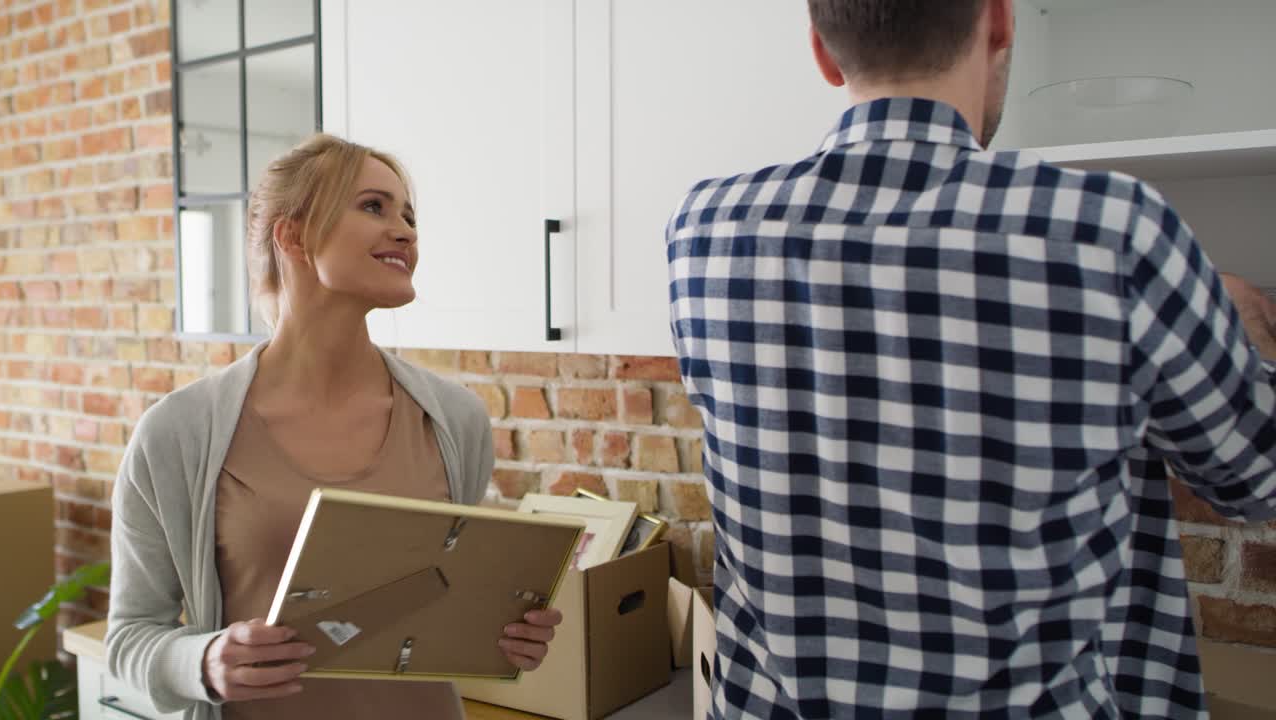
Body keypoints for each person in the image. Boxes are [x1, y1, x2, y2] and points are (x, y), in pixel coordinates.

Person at [665, 1, 1276, 717]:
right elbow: (1254, 479)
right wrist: (1235, 318)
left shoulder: (707, 227)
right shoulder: (1110, 230)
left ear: (823, 54)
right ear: (999, 24)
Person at [106, 134, 562, 720]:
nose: (405, 231)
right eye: (374, 207)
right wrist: (206, 662)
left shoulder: (455, 419)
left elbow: (434, 602)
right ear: (292, 235)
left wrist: (502, 634)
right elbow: (130, 636)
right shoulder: (178, 433)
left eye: (408, 215)